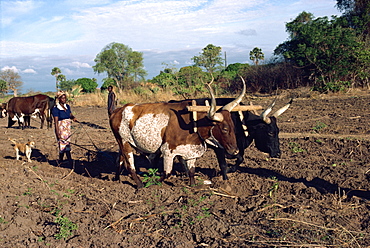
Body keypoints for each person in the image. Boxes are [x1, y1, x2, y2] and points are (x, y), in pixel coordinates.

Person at [52, 91, 78, 165]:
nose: (64, 100)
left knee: (67, 143)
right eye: (62, 98)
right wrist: (57, 133)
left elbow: (70, 114)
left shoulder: (67, 106)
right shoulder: (56, 109)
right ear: (59, 99)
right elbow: (56, 122)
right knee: (62, 143)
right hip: (61, 128)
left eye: (65, 98)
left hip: (67, 127)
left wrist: (73, 118)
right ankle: (62, 160)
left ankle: (67, 160)